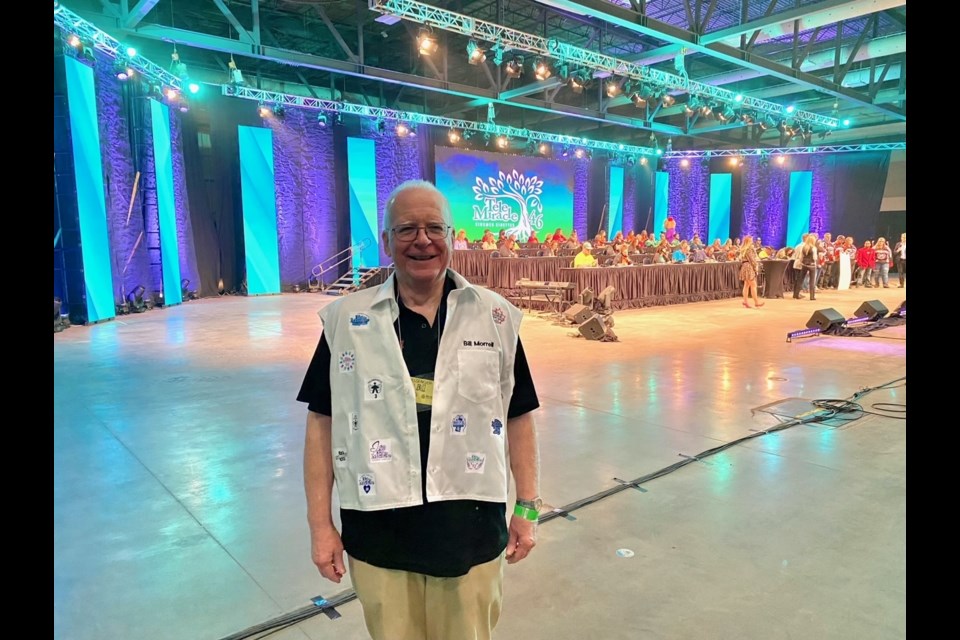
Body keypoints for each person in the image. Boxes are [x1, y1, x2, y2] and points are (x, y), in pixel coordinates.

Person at [298, 180, 541, 640]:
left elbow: (519, 416)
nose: (422, 240)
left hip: (469, 533)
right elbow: (321, 425)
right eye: (407, 228)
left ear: (451, 237)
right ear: (387, 241)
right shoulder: (346, 321)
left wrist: (527, 508)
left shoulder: (495, 316)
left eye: (434, 227)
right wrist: (320, 526)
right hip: (379, 534)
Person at [739, 234, 763, 308]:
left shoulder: (743, 249)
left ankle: (745, 302)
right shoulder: (749, 249)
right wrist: (755, 266)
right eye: (751, 240)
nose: (752, 241)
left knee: (746, 285)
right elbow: (752, 259)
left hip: (744, 266)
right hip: (749, 267)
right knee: (753, 285)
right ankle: (756, 302)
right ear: (749, 241)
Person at [793, 234, 818, 300]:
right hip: (812, 265)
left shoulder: (804, 247)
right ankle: (812, 296)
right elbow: (815, 258)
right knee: (812, 281)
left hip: (804, 265)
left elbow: (801, 257)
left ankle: (796, 295)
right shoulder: (814, 248)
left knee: (800, 280)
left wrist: (802, 263)